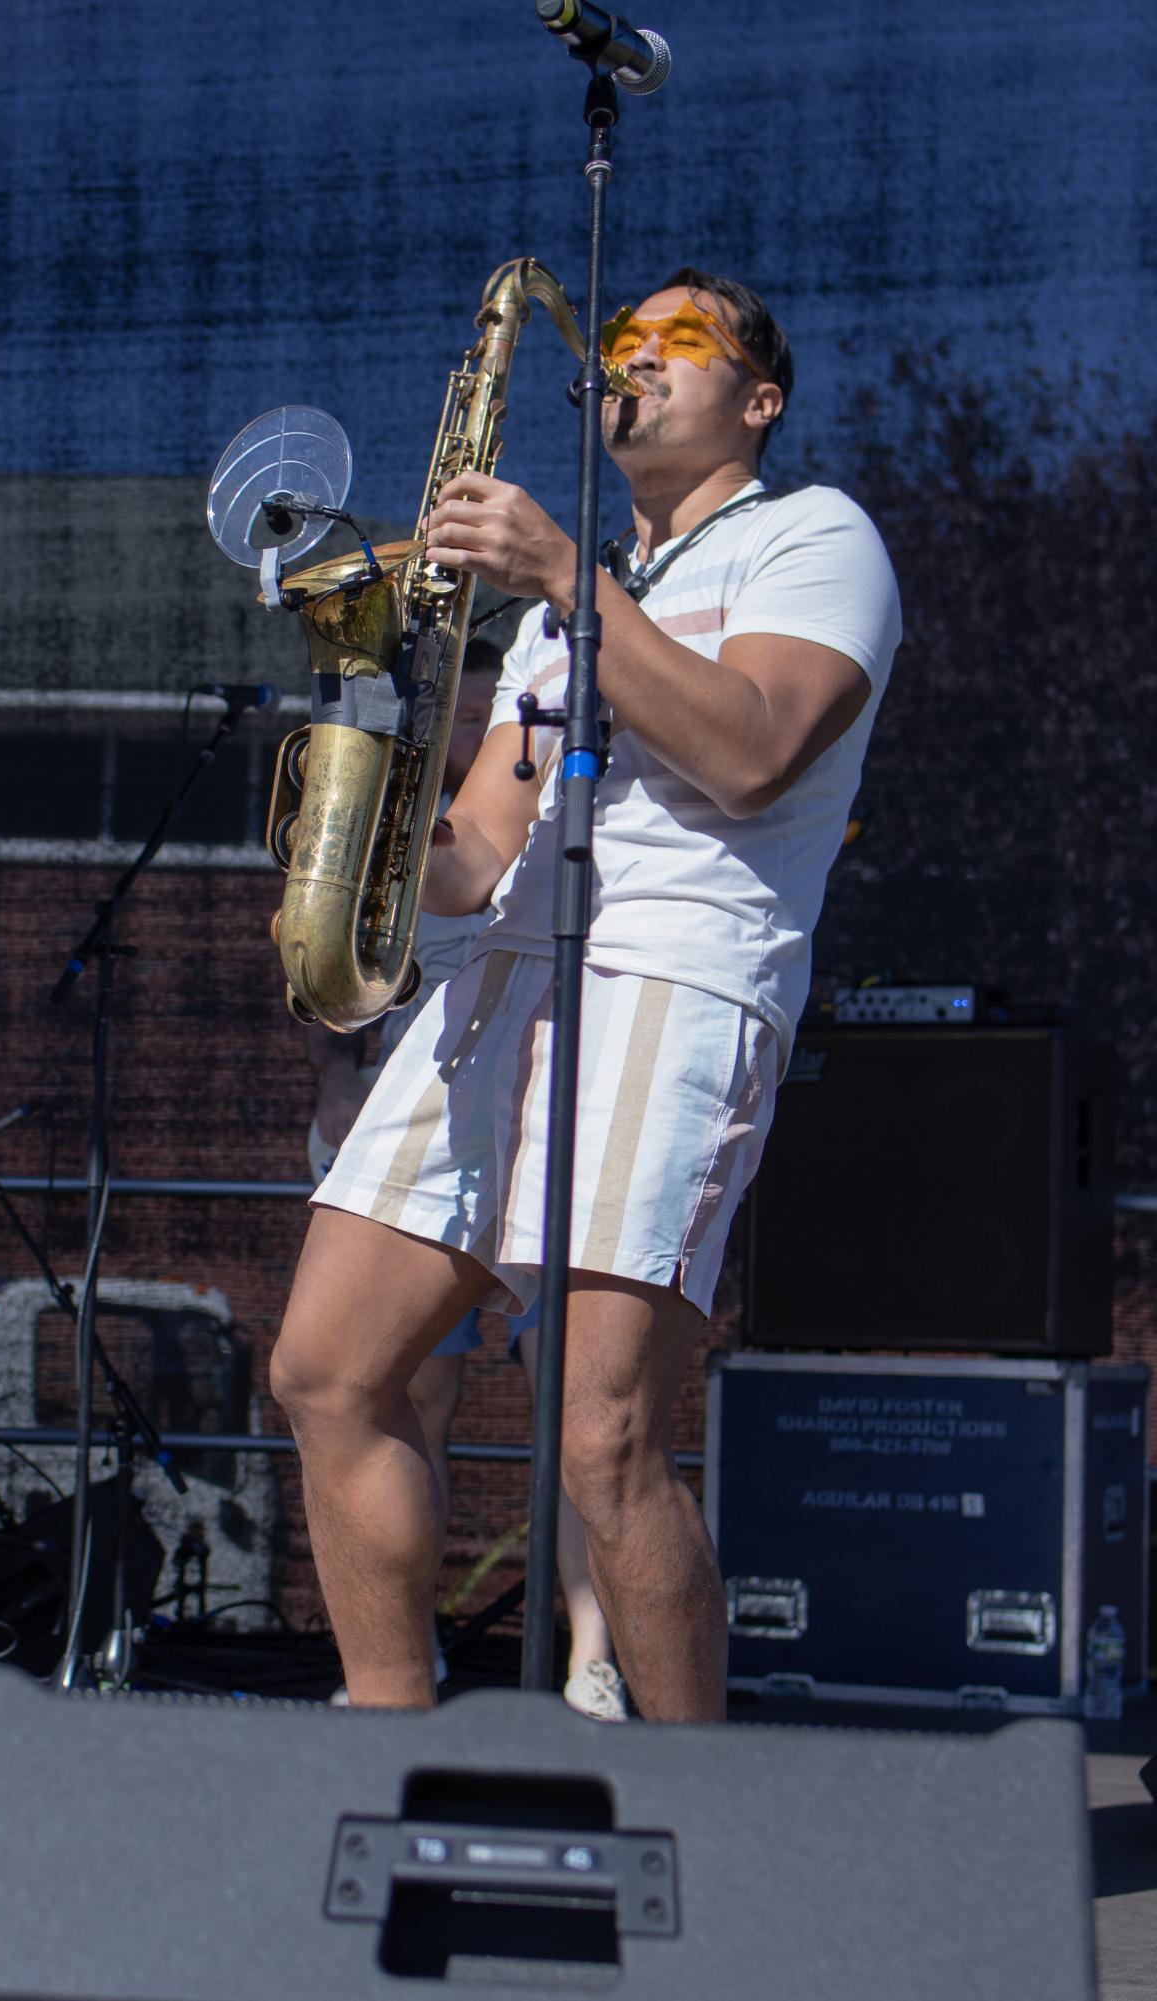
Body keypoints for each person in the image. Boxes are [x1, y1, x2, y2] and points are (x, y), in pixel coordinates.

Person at [270, 268, 902, 1717]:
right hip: (502, 978)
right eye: (621, 344)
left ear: (757, 397)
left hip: (671, 981)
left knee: (602, 1437)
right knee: (323, 1369)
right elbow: (479, 852)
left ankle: (695, 1822)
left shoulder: (813, 539)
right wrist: (361, 789)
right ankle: (385, 1740)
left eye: (681, 343)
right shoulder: (569, 614)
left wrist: (564, 573)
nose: (637, 362)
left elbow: (750, 751)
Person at [306, 645, 627, 1718]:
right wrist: (335, 1092)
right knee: (395, 1392)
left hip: (549, 1103)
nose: (485, 723)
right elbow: (332, 985)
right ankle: (406, 1658)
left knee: (578, 1406)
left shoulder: (578, 798)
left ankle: (593, 1661)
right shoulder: (416, 822)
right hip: (429, 1113)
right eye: (471, 710)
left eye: (500, 708)